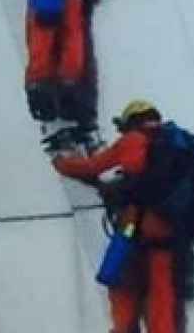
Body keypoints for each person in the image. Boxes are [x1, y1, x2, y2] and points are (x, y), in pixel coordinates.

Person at [52, 100, 181, 333]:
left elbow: (93, 167)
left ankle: (124, 328)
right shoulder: (173, 143)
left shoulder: (133, 140)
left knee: (120, 278)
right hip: (167, 229)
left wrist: (61, 163)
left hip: (135, 224)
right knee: (161, 291)